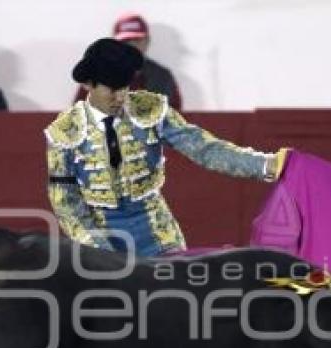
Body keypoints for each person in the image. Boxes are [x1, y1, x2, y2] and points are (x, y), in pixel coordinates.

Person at [46, 38, 287, 257]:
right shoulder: (65, 132)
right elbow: (65, 202)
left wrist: (265, 164)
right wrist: (99, 252)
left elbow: (204, 148)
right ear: (89, 84)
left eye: (124, 87)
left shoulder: (151, 109)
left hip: (156, 232)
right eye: (111, 89)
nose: (120, 97)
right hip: (100, 236)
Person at [74, 14, 183, 110]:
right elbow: (79, 116)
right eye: (125, 40)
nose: (131, 45)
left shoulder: (163, 77)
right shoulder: (94, 73)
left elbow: (175, 117)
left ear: (147, 41)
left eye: (136, 40)